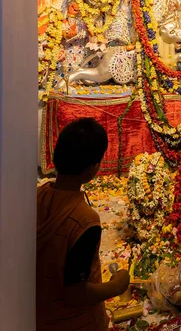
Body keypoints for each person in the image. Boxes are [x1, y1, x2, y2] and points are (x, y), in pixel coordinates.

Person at [36, 117, 130, 331]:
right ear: (92, 169)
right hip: (76, 321)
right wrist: (116, 285)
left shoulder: (38, 196)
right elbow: (75, 293)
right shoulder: (84, 220)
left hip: (40, 313)